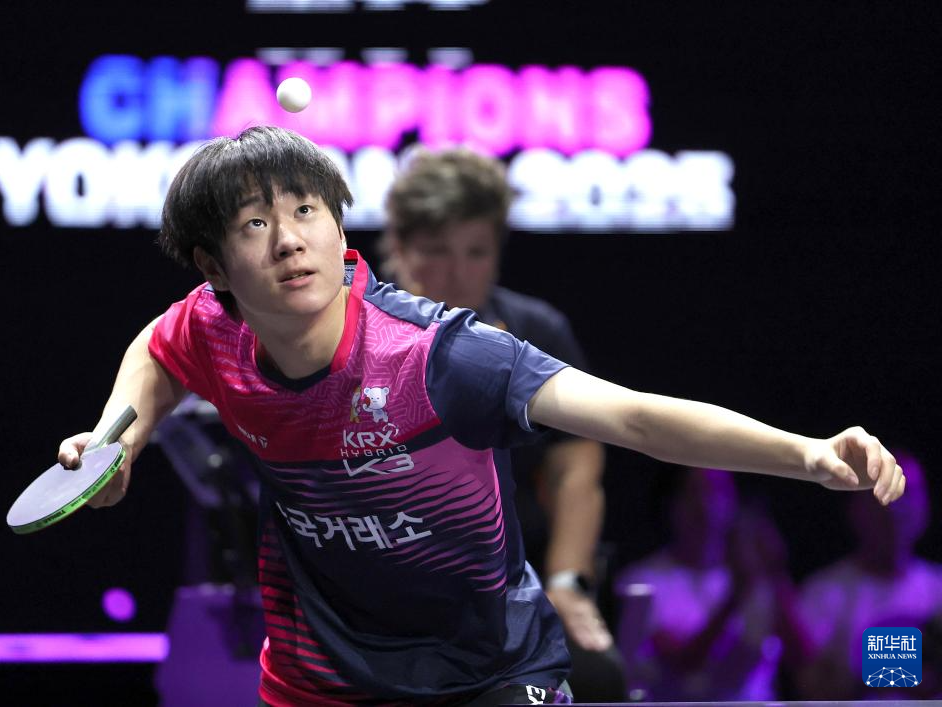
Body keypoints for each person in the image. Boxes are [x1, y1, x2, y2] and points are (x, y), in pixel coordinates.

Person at [57, 126, 905, 706]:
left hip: (487, 669)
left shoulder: (439, 355)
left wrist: (806, 453)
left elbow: (634, 417)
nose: (288, 240)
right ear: (213, 267)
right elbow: (159, 351)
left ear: (340, 224)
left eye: (306, 210)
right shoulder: (217, 329)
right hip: (324, 675)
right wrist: (116, 439)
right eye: (254, 223)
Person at [379, 147, 623, 701]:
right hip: (390, 586)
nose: (457, 273)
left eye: (476, 252)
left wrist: (566, 581)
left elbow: (576, 471)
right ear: (398, 247)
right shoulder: (353, 336)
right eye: (436, 251)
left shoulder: (537, 332)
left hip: (516, 585)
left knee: (595, 675)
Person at [614, 468, 812, 701]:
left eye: (718, 492)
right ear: (670, 504)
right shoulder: (642, 580)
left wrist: (775, 573)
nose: (706, 506)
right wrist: (736, 595)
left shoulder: (759, 577)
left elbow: (803, 661)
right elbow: (683, 664)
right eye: (693, 493)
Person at [796, 451, 942, 700]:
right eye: (880, 492)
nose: (894, 508)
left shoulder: (937, 589)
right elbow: (810, 685)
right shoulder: (822, 592)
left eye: (907, 493)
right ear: (855, 508)